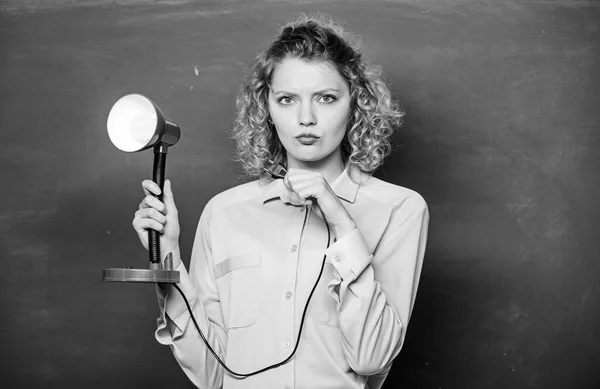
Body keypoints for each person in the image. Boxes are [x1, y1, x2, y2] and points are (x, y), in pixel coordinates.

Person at [132, 13, 429, 389]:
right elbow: (210, 375)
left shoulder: (400, 209)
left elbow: (371, 358)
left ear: (355, 104)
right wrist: (167, 254)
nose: (306, 118)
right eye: (287, 99)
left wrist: (342, 224)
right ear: (267, 109)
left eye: (326, 98)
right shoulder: (223, 213)